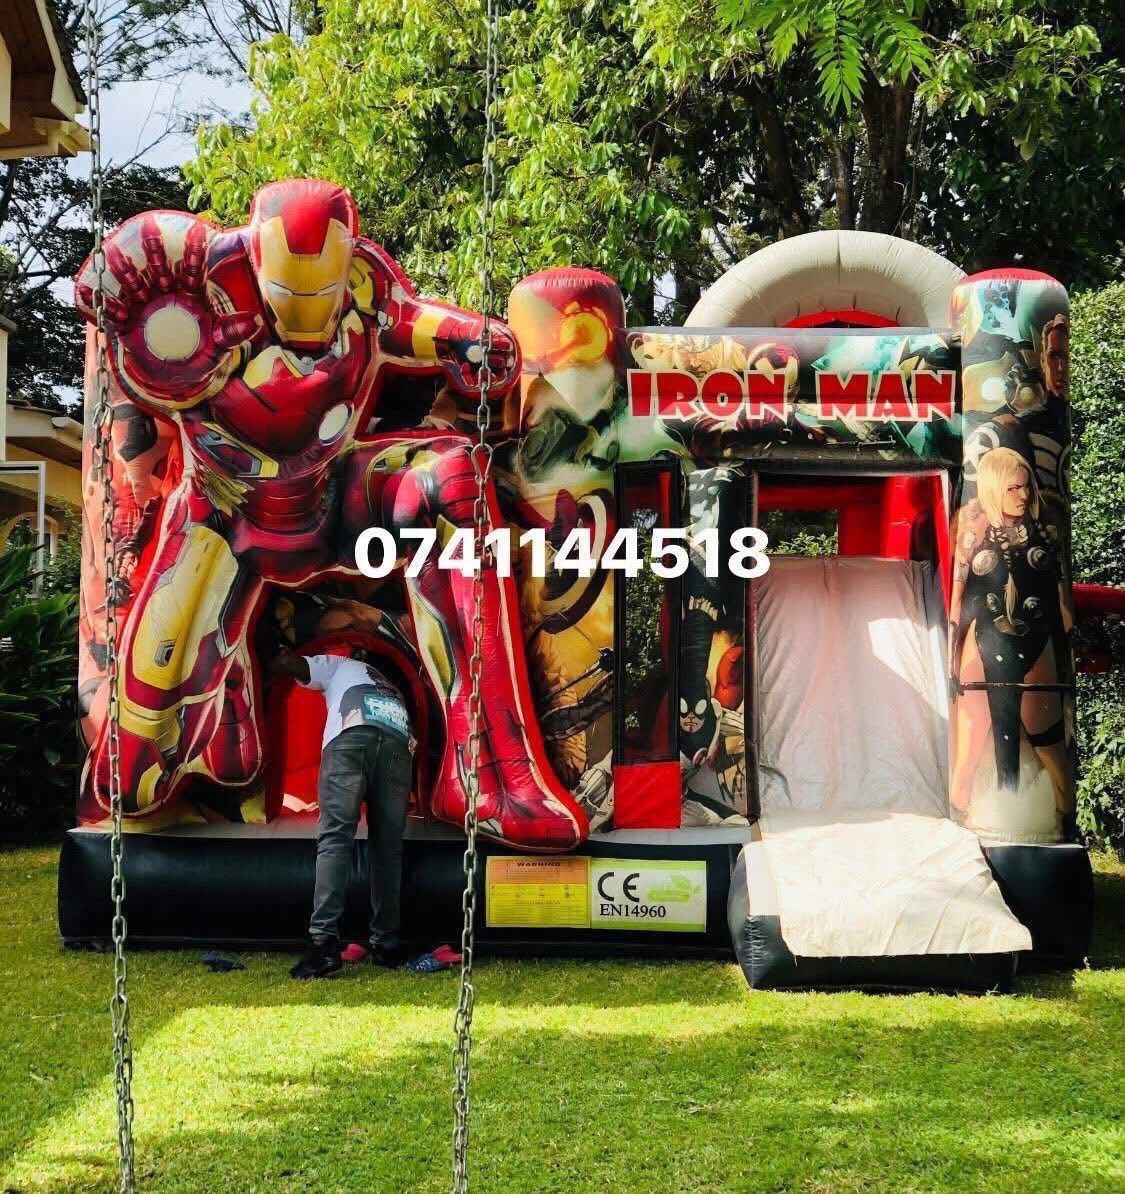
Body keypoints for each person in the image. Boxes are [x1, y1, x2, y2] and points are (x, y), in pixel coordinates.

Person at [273, 646, 415, 979]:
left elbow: (290, 662)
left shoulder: (341, 664)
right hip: (398, 740)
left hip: (351, 736)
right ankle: (386, 943)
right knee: (388, 849)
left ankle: (323, 944)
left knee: (336, 839)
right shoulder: (393, 688)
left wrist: (274, 657)